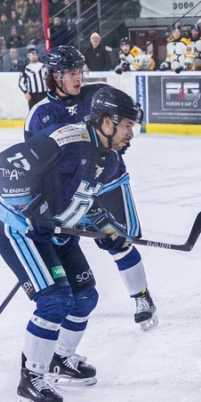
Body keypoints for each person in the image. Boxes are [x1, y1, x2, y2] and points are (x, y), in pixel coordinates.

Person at [0, 88, 143, 402]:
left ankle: (59, 359)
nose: (132, 133)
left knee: (85, 297)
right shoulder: (67, 139)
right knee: (54, 300)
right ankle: (30, 381)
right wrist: (33, 209)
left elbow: (85, 201)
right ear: (107, 122)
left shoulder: (111, 160)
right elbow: (6, 164)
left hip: (54, 234)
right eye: (127, 125)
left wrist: (109, 231)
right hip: (19, 228)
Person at [24, 46, 158, 330]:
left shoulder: (96, 94)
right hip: (72, 189)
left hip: (108, 180)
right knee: (61, 242)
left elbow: (130, 114)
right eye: (71, 73)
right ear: (54, 76)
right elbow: (34, 163)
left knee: (118, 239)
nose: (78, 78)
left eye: (79, 71)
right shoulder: (39, 114)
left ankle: (142, 297)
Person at [18, 45, 47, 110]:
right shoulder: (25, 68)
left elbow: (49, 79)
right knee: (33, 113)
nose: (33, 56)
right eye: (31, 55)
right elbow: (21, 83)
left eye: (35, 54)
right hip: (32, 96)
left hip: (45, 94)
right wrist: (26, 92)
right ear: (28, 56)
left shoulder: (44, 66)